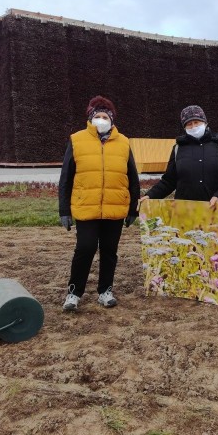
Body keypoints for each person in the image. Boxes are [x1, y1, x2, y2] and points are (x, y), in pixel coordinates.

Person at [59, 95, 140, 311]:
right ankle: (74, 292)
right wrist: (64, 210)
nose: (101, 120)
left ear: (112, 120)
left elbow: (132, 176)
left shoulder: (123, 142)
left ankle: (105, 291)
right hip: (87, 206)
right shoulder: (76, 140)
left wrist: (133, 208)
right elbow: (66, 177)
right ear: (90, 118)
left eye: (105, 116)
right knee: (84, 249)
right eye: (98, 116)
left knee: (109, 250)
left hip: (115, 207)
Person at [138, 105, 218, 207]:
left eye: (196, 122)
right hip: (184, 212)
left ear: (205, 122)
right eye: (189, 124)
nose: (193, 127)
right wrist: (150, 196)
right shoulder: (178, 148)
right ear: (184, 127)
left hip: (214, 211)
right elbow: (169, 181)